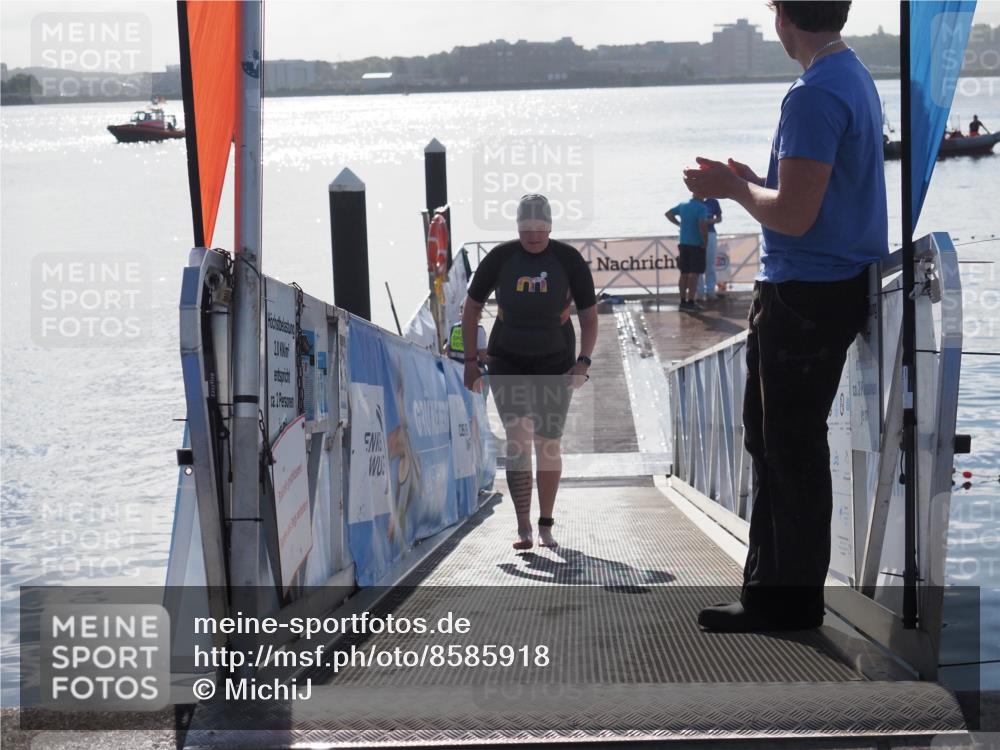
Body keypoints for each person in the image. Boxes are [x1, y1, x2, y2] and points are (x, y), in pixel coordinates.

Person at [682, 0, 887, 632]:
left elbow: (795, 217)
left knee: (786, 448)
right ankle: (774, 594)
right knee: (776, 443)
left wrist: (734, 189)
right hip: (827, 286)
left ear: (782, 20)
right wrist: (752, 180)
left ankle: (788, 602)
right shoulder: (850, 75)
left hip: (805, 293)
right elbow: (809, 198)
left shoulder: (813, 93)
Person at [461, 194, 597, 550]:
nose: (533, 236)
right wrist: (471, 362)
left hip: (556, 360)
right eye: (525, 229)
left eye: (539, 229)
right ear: (517, 227)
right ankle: (522, 527)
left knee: (548, 445)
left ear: (550, 226)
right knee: (519, 442)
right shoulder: (502, 257)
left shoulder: (567, 260)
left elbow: (589, 315)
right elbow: (472, 306)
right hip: (508, 357)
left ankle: (546, 524)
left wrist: (584, 361)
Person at [665, 195, 709, 310]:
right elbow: (702, 226)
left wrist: (679, 224)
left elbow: (668, 214)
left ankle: (682, 301)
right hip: (696, 244)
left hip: (683, 243)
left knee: (684, 273)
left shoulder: (683, 205)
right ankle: (691, 301)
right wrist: (705, 241)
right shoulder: (701, 208)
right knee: (694, 274)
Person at [444, 304, 488, 394]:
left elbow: (448, 352)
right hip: (474, 374)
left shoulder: (454, 328)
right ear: (478, 313)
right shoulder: (478, 329)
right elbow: (483, 357)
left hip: (456, 374)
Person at [698, 197, 724, 300]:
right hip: (697, 234)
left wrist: (710, 221)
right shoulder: (696, 201)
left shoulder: (713, 201)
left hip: (711, 233)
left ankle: (710, 291)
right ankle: (699, 292)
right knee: (699, 264)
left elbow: (719, 218)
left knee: (710, 264)